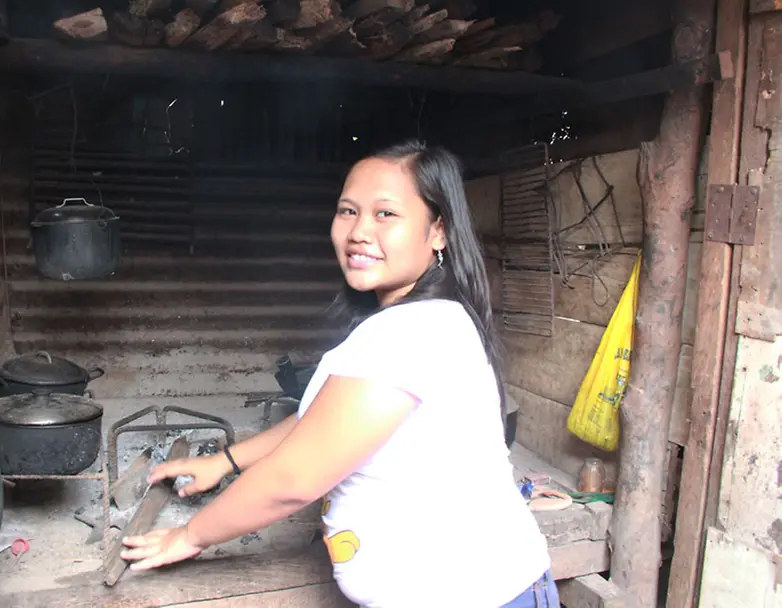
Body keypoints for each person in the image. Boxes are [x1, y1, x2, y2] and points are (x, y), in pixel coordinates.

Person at [121, 140, 558, 607]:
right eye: (348, 211)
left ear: (438, 232)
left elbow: (294, 481)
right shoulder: (426, 318)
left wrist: (189, 536)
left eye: (385, 215)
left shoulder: (414, 330)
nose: (358, 232)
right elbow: (325, 422)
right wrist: (225, 462)